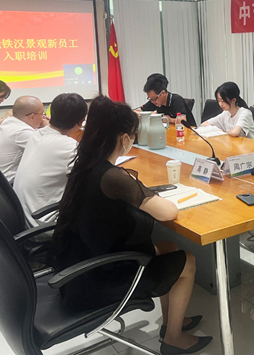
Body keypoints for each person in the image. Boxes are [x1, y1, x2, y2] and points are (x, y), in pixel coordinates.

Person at [50, 95, 211, 355]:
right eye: (133, 135)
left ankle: (172, 322)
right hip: (96, 279)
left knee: (170, 247)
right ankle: (173, 339)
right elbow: (168, 212)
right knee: (188, 261)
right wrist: (138, 187)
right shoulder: (113, 177)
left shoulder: (86, 164)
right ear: (124, 138)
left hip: (81, 261)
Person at [14, 93, 87, 227]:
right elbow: (90, 182)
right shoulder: (69, 147)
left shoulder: (36, 135)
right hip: (45, 223)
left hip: (25, 216)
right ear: (81, 121)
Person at [0, 96, 48, 183]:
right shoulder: (22, 132)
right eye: (42, 114)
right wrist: (49, 127)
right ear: (32, 117)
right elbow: (48, 150)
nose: (43, 117)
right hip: (7, 184)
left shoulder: (9, 122)